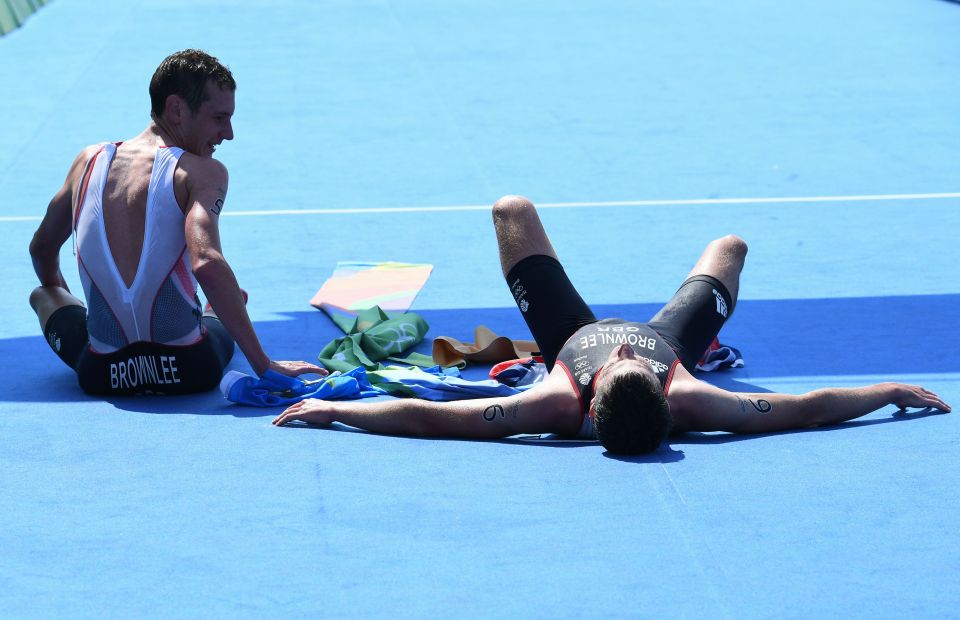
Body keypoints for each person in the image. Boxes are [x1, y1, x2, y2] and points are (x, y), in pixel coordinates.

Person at [273, 195, 951, 453]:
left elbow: (435, 420)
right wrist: (886, 390)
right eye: (633, 357)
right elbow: (804, 408)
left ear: (590, 400)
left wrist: (341, 415)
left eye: (621, 357)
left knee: (511, 212)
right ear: (662, 391)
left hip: (564, 337)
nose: (625, 344)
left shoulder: (551, 403)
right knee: (732, 248)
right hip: (678, 339)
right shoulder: (691, 397)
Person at [29, 49, 325, 395]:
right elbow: (207, 263)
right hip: (190, 367)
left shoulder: (87, 161)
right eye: (219, 118)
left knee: (44, 293)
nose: (228, 133)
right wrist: (264, 364)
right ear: (177, 110)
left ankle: (94, 326)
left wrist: (93, 319)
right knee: (232, 296)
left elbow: (42, 248)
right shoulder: (201, 172)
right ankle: (218, 309)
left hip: (102, 374)